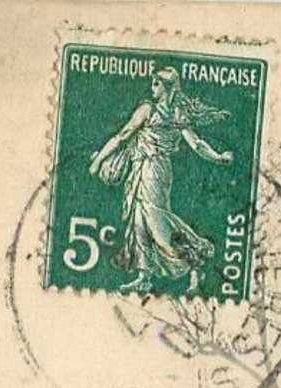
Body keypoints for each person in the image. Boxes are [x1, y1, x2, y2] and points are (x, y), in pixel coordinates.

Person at [88, 66, 234, 297]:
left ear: (167, 87)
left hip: (154, 170)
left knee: (156, 219)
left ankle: (194, 261)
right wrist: (218, 157)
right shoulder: (165, 111)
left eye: (156, 83)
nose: (151, 87)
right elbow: (125, 134)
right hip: (141, 168)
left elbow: (125, 135)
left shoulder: (159, 111)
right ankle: (144, 276)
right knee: (138, 221)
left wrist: (218, 157)